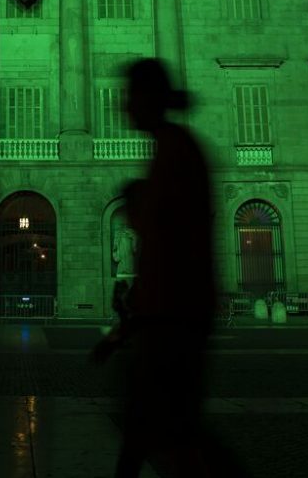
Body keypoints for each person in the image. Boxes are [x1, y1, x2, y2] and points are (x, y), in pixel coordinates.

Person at [91, 58, 218, 478]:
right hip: (172, 321)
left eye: (130, 95)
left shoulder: (175, 153)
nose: (123, 105)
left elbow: (170, 252)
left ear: (148, 98)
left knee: (168, 439)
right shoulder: (172, 148)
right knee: (160, 436)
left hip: (173, 325)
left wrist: (125, 330)